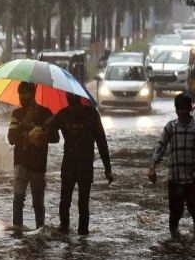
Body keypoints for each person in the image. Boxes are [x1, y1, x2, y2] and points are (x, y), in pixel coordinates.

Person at [148, 92, 195, 237]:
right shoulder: (171, 127)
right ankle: (174, 241)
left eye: (184, 108)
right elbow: (161, 147)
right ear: (175, 109)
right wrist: (152, 166)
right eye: (178, 109)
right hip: (175, 180)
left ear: (190, 109)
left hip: (192, 179)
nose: (181, 112)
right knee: (175, 213)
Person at [49, 92, 114, 235]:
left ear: (79, 98)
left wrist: (107, 168)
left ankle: (82, 233)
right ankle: (65, 229)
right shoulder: (63, 114)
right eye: (68, 97)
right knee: (65, 201)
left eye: (72, 97)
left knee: (82, 202)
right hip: (69, 165)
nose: (71, 100)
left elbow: (101, 141)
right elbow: (49, 131)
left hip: (84, 166)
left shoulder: (91, 114)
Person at [7, 81, 59, 232]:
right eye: (20, 95)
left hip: (38, 163)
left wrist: (43, 133)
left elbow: (55, 137)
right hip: (21, 162)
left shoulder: (45, 113)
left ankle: (40, 229)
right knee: (18, 198)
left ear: (32, 95)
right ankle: (17, 229)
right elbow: (11, 138)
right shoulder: (17, 114)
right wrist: (25, 122)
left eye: (25, 95)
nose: (22, 99)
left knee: (38, 200)